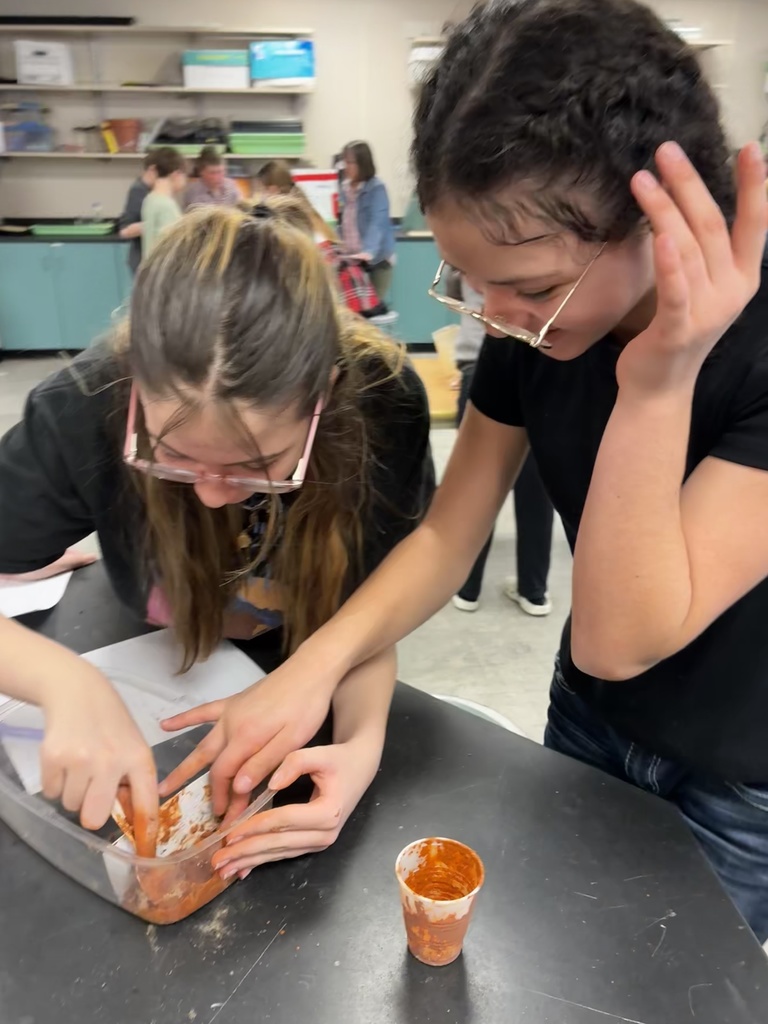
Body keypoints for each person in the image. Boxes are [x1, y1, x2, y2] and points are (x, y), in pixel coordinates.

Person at [191, 0, 768, 941]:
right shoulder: (528, 321)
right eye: (473, 282)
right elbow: (449, 533)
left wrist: (659, 380)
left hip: (741, 772)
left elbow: (622, 635)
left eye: (533, 288)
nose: (497, 316)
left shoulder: (748, 348)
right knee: (563, 950)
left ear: (664, 225)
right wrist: (314, 669)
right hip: (590, 721)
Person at [0, 202, 433, 869]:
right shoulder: (81, 405)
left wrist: (362, 742)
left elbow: (371, 613)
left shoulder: (383, 403)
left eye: (256, 468)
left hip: (319, 668)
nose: (208, 492)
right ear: (134, 389)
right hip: (156, 660)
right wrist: (61, 682)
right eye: (172, 456)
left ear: (327, 398)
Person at [447, 270, 554, 615]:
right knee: (536, 491)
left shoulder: (468, 250)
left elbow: (455, 289)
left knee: (479, 488)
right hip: (543, 365)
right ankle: (533, 590)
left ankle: (467, 587)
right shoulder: (543, 250)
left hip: (480, 364)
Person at [256, 161, 388, 318]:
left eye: (263, 189)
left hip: (339, 290)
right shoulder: (306, 207)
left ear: (273, 189)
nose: (261, 195)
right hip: (354, 288)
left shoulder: (286, 215)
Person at [339, 141, 395, 300]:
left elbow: (377, 222)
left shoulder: (376, 188)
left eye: (351, 162)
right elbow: (343, 220)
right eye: (345, 162)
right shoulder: (344, 188)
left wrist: (368, 251)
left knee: (372, 310)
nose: (346, 166)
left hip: (376, 263)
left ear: (363, 163)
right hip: (352, 263)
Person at [140, 146, 187, 259]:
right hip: (164, 273)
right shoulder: (166, 205)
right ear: (177, 173)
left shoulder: (150, 199)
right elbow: (172, 250)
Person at [117, 151, 158, 276]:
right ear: (153, 169)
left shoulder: (150, 191)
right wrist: (158, 224)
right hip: (141, 260)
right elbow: (125, 229)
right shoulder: (138, 190)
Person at [183, 146, 242, 211]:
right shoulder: (193, 193)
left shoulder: (231, 187)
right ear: (201, 172)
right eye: (212, 173)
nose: (217, 177)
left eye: (220, 172)